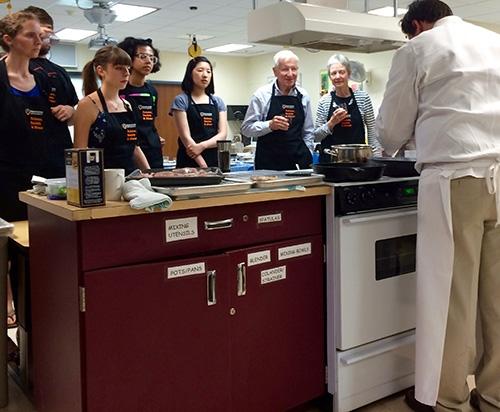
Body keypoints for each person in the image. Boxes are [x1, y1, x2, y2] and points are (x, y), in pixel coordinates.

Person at [376, 1, 500, 411]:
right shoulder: (494, 41)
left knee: (451, 292)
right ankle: (495, 393)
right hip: (498, 174)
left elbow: (390, 130)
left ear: (417, 24)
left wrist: (400, 141)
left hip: (453, 180)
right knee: (496, 294)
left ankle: (448, 397)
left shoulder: (417, 48)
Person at [0, 11, 70, 221]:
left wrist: (71, 111)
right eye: (31, 35)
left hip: (43, 174)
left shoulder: (44, 80)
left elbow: (63, 118)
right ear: (9, 39)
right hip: (6, 175)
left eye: (40, 35)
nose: (39, 41)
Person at [74, 46, 150, 174]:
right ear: (101, 70)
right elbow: (79, 151)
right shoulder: (87, 105)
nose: (126, 73)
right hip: (103, 179)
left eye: (128, 68)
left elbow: (135, 148)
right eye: (119, 68)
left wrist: (150, 174)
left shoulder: (127, 105)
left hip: (130, 177)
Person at [23, 5, 78, 165]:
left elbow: (74, 117)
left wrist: (70, 111)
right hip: (22, 155)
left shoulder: (60, 72)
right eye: (38, 34)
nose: (42, 40)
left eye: (47, 34)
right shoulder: (10, 69)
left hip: (57, 154)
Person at [241, 50, 313, 170]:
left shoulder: (303, 95)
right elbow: (246, 129)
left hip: (299, 164)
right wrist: (269, 125)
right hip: (269, 164)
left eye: (294, 69)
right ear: (275, 71)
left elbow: (308, 131)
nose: (290, 74)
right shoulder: (262, 95)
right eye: (285, 69)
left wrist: (308, 152)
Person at [313, 54, 382, 161]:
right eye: (333, 73)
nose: (337, 76)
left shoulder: (362, 98)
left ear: (349, 73)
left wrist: (377, 159)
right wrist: (331, 123)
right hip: (331, 162)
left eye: (341, 72)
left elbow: (372, 130)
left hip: (358, 160)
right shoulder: (324, 101)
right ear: (329, 76)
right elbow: (316, 136)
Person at [170, 56, 227, 168]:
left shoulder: (217, 102)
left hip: (213, 159)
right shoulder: (181, 100)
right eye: (200, 70)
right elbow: (186, 138)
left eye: (208, 71)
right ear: (190, 73)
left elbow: (222, 135)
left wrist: (202, 146)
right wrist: (203, 166)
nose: (205, 75)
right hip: (190, 159)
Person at [117, 37, 164, 168]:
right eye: (143, 56)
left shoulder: (152, 91)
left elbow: (150, 123)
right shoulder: (120, 90)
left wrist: (156, 139)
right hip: (129, 153)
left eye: (152, 58)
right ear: (129, 57)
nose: (148, 61)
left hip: (153, 152)